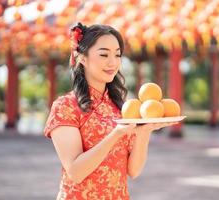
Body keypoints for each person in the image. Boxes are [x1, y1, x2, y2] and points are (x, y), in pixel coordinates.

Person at [43, 22, 175, 200]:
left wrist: (144, 131)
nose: (113, 62)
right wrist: (116, 134)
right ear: (82, 57)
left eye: (117, 55)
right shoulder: (65, 106)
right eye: (104, 54)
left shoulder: (121, 107)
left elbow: (133, 171)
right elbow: (75, 172)